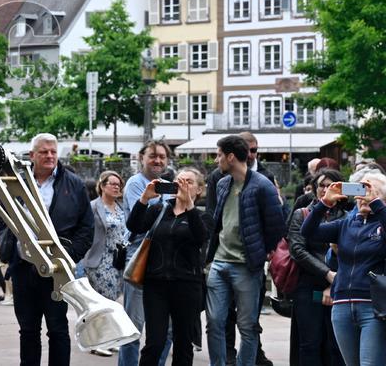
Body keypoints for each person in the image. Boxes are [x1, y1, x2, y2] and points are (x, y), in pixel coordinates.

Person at [4, 134, 94, 366]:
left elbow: (86, 228)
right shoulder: (17, 181)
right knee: (28, 330)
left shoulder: (73, 184)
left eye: (53, 151)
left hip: (57, 270)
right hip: (23, 268)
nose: (50, 156)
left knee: (57, 329)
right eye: (44, 152)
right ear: (32, 155)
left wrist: (67, 257)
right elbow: (1, 214)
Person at [206, 135, 284, 366]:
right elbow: (217, 220)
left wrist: (262, 252)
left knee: (248, 326)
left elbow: (276, 225)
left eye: (219, 155)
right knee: (214, 322)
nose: (216, 160)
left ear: (231, 156)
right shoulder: (222, 183)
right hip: (219, 262)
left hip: (247, 266)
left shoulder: (262, 185)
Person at [301, 173, 386, 366]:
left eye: (371, 191)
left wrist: (376, 204)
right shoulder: (346, 223)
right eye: (361, 190)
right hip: (342, 306)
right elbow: (308, 232)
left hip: (373, 307)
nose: (363, 196)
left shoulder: (382, 222)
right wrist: (324, 203)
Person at [128, 169, 210, 366]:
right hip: (155, 284)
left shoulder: (204, 217)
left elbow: (200, 237)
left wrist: (189, 207)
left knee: (183, 343)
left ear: (199, 189)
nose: (182, 185)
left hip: (187, 285)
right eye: (178, 181)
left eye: (188, 182)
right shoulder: (159, 210)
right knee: (154, 342)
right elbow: (134, 226)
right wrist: (144, 199)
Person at [119, 140, 171, 366]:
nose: (157, 160)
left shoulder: (169, 184)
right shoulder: (135, 183)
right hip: (140, 257)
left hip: (165, 260)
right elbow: (144, 221)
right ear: (142, 158)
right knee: (133, 327)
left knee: (166, 329)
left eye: (162, 156)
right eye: (153, 156)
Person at [287, 168, 345, 366]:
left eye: (331, 185)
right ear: (314, 188)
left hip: (339, 287)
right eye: (321, 185)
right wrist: (327, 274)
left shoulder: (347, 217)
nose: (325, 189)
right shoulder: (302, 214)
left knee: (335, 346)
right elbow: (297, 250)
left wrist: (333, 282)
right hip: (308, 286)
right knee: (309, 344)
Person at [80, 171, 128, 304]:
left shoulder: (121, 207)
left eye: (119, 185)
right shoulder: (93, 206)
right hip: (100, 261)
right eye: (113, 184)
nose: (117, 187)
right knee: (106, 301)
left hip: (119, 261)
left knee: (114, 299)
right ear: (102, 186)